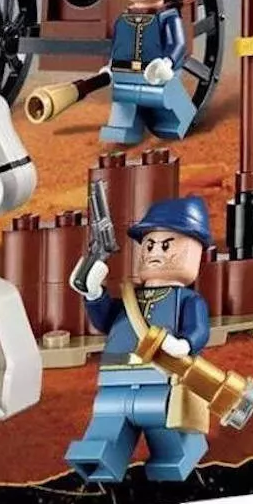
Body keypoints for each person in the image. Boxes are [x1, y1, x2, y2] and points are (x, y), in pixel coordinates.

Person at [65, 196, 213, 483]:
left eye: (166, 245)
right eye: (149, 245)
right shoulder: (130, 297)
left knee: (163, 424)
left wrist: (183, 345)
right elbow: (107, 321)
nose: (155, 251)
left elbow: (198, 329)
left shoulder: (186, 299)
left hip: (160, 378)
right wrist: (93, 294)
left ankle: (174, 457)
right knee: (108, 422)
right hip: (115, 379)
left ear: (195, 252)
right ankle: (100, 459)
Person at [100, 0, 195, 145]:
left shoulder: (168, 17)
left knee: (165, 97)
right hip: (126, 73)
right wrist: (110, 66)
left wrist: (167, 62)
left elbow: (177, 44)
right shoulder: (123, 19)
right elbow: (118, 46)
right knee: (122, 98)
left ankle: (176, 121)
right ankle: (124, 128)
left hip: (158, 73)